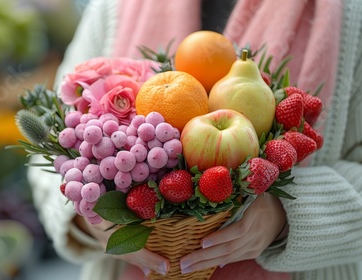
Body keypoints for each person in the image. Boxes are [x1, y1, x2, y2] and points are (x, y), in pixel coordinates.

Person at [28, 0, 362, 279]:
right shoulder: (113, 6)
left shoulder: (349, 15)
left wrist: (287, 216)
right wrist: (89, 217)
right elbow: (55, 140)